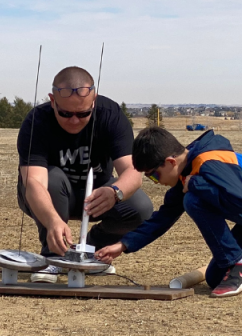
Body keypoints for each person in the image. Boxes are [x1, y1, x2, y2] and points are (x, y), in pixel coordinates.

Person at [95, 126, 242, 297]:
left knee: (193, 200)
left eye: (154, 176)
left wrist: (196, 184)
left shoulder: (207, 163)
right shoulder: (186, 169)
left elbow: (241, 202)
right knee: (216, 276)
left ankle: (240, 264)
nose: (156, 182)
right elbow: (164, 216)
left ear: (170, 162)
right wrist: (124, 245)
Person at [17, 66, 153, 283]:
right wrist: (52, 221)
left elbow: (133, 172)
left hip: (97, 195)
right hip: (52, 196)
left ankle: (92, 252)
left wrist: (114, 192)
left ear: (94, 101)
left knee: (141, 208)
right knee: (52, 179)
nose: (74, 121)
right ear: (52, 100)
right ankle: (54, 258)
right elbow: (34, 182)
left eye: (83, 113)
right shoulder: (37, 122)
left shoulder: (111, 115)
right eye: (64, 113)